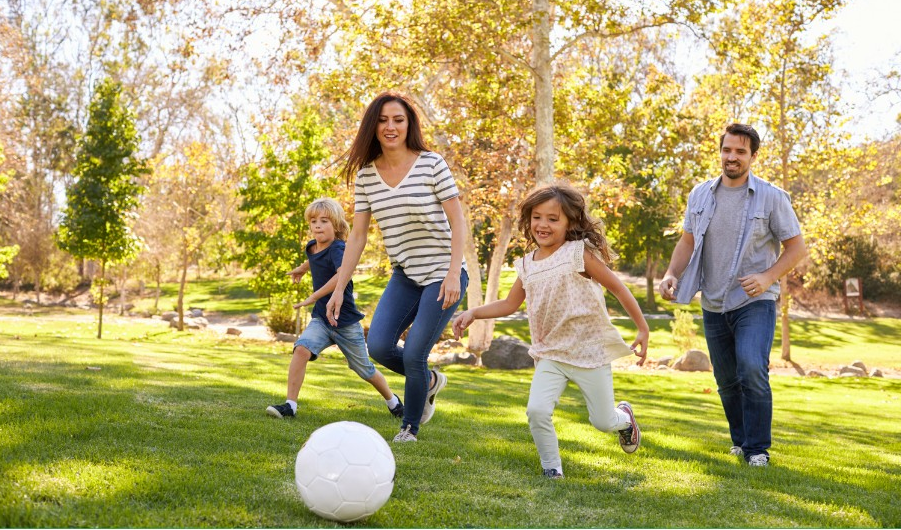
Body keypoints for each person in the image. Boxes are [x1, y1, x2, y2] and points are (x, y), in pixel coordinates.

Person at [452, 183, 648, 479]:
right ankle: (551, 469)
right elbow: (508, 304)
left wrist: (643, 327)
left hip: (588, 351)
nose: (543, 225)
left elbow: (617, 288)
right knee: (537, 411)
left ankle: (624, 420)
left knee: (603, 422)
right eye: (537, 217)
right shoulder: (527, 266)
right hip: (550, 353)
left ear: (570, 222)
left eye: (553, 219)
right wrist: (473, 312)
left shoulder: (578, 254)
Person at [659, 123, 807, 467]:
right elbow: (687, 241)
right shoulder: (700, 194)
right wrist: (671, 274)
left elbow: (797, 248)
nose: (732, 157)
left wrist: (768, 275)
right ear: (720, 151)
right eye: (727, 150)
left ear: (753, 156)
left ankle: (757, 449)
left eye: (740, 151)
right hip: (713, 301)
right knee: (726, 379)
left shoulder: (772, 197)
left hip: (755, 301)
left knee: (752, 368)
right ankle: (740, 441)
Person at [325, 92, 469, 443]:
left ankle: (410, 427)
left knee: (416, 352)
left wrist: (453, 273)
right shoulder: (367, 177)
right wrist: (339, 287)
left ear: (409, 125)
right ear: (373, 127)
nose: (391, 127)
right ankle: (431, 381)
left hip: (442, 273)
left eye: (398, 120)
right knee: (378, 346)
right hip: (405, 275)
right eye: (384, 120)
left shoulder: (432, 164)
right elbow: (358, 236)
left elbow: (459, 222)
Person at [266, 198, 404, 420]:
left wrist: (314, 296)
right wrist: (302, 269)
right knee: (301, 349)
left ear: (337, 226)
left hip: (346, 322)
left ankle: (394, 402)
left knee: (364, 370)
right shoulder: (312, 246)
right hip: (322, 319)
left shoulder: (340, 248)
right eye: (313, 221)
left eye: (324, 221)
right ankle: (290, 406)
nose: (318, 225)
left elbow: (342, 273)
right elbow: (314, 259)